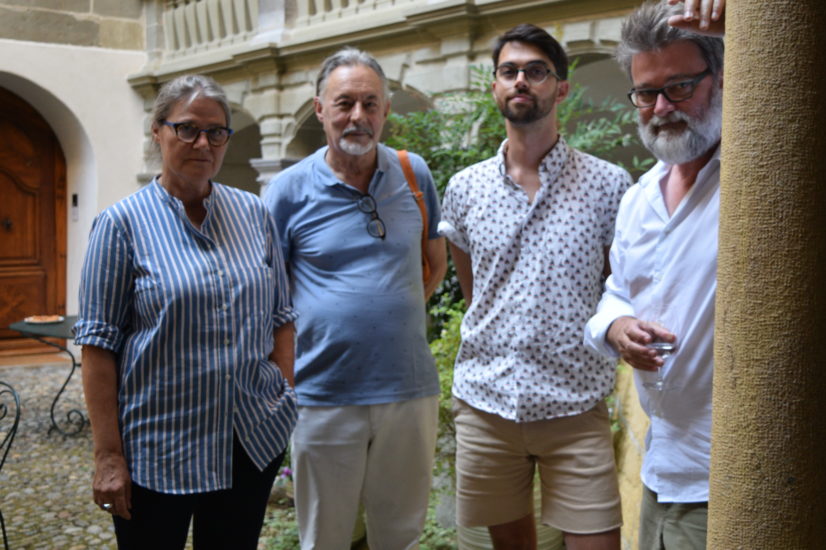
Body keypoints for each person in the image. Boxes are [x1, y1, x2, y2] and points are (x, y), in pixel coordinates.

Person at [75, 74, 298, 549]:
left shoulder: (254, 214)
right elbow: (98, 347)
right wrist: (109, 457)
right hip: (159, 449)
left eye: (217, 132)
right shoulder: (120, 225)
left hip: (248, 440)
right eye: (188, 129)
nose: (203, 143)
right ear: (157, 131)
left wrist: (283, 395)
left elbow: (281, 315)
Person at [439, 24, 633, 550]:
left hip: (575, 404)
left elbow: (619, 288)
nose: (521, 80)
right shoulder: (465, 188)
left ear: (560, 87)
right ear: (496, 86)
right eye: (510, 71)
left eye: (536, 71)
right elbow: (474, 285)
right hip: (487, 402)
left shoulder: (609, 184)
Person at [263, 47, 447, 550]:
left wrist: (386, 317)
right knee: (325, 537)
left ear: (386, 110)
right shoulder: (286, 192)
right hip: (323, 395)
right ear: (320, 109)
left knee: (400, 535)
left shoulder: (415, 174)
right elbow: (269, 297)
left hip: (409, 390)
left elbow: (435, 264)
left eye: (371, 103)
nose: (358, 117)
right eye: (345, 103)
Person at [584, 1, 725, 549]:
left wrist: (738, 31)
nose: (662, 107)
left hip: (726, 476)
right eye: (647, 92)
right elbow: (617, 291)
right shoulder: (638, 198)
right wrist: (616, 327)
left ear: (720, 79)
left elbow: (803, 115)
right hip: (660, 467)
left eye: (681, 87)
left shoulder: (757, 173)